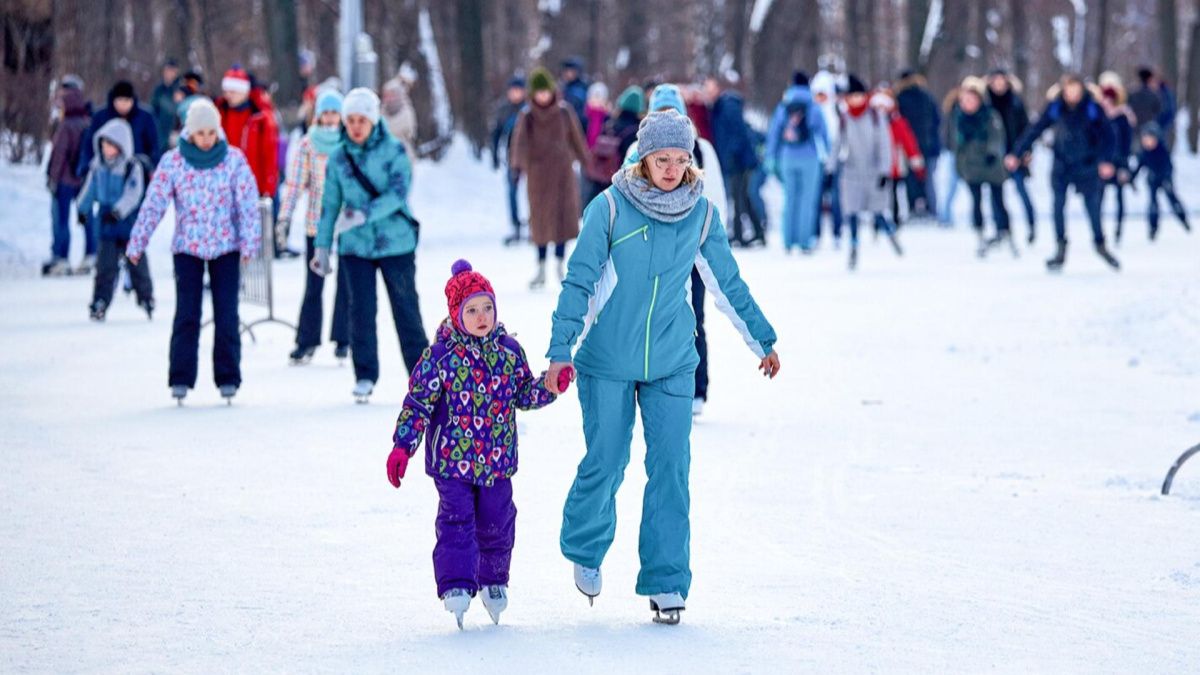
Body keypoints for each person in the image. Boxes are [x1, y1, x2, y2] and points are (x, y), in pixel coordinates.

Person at [544, 109, 779, 625]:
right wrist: (561, 350)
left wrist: (760, 337)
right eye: (660, 159)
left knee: (671, 468)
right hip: (606, 359)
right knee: (607, 459)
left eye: (679, 159)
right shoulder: (609, 209)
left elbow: (726, 282)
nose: (671, 169)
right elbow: (579, 284)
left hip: (673, 360)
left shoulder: (701, 213)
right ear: (643, 159)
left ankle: (667, 581)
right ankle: (585, 546)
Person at [386, 260, 560, 629]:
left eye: (487, 308)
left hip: (497, 461)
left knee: (498, 520)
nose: (482, 317)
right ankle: (457, 584)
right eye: (472, 310)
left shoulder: (509, 351)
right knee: (456, 520)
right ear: (455, 314)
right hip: (452, 463)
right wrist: (404, 445)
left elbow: (523, 394)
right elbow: (417, 404)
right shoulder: (439, 358)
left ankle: (494, 578)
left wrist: (549, 386)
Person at [125, 98, 262, 404]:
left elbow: (248, 205)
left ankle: (228, 377)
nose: (206, 140)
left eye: (211, 133)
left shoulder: (234, 160)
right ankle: (181, 377)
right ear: (189, 133)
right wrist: (137, 242)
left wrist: (250, 242)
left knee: (227, 313)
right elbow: (153, 205)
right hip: (188, 248)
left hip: (225, 248)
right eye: (200, 134)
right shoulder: (173, 162)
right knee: (188, 313)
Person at [311, 88, 429, 403]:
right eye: (350, 120)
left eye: (362, 119)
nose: (356, 126)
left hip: (395, 243)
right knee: (360, 311)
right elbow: (330, 204)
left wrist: (364, 214)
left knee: (406, 309)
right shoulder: (338, 158)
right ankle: (364, 374)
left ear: (374, 120)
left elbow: (399, 192)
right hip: (355, 247)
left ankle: (423, 376)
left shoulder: (394, 151)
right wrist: (322, 247)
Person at [622, 84, 726, 416]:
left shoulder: (700, 149)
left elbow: (716, 195)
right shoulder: (636, 150)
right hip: (650, 249)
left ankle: (696, 388)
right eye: (660, 112)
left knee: (692, 317)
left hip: (691, 250)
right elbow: (624, 195)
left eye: (673, 111)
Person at [1008, 73, 1119, 271]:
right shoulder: (1056, 107)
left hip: (1087, 164)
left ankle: (1100, 244)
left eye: (1076, 89)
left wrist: (1106, 161)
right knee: (1057, 206)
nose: (1072, 93)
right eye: (1069, 89)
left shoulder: (1092, 108)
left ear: (1082, 89)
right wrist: (1017, 153)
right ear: (1063, 89)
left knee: (1092, 207)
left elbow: (1109, 136)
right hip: (1062, 165)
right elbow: (1036, 129)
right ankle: (1060, 248)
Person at [277, 89, 350, 364]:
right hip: (316, 225)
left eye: (335, 112)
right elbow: (295, 184)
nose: (331, 118)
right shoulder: (308, 144)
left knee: (347, 281)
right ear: (318, 115)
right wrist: (284, 217)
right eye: (326, 113)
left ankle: (344, 338)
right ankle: (306, 340)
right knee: (314, 284)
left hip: (346, 224)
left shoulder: (348, 141)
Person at [508, 67, 588, 289]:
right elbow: (520, 142)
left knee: (562, 220)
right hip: (538, 177)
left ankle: (561, 265)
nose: (543, 96)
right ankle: (541, 267)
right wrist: (517, 167)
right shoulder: (528, 116)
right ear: (533, 94)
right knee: (541, 221)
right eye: (539, 93)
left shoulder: (564, 112)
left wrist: (585, 161)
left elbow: (576, 138)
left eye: (546, 92)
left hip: (562, 174)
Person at [77, 118, 154, 321]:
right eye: (104, 145)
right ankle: (100, 301)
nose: (107, 149)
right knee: (105, 266)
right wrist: (82, 209)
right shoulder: (97, 166)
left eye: (111, 145)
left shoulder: (131, 167)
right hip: (106, 223)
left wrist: (118, 211)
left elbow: (133, 193)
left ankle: (146, 296)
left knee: (136, 262)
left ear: (122, 146)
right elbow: (89, 189)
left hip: (128, 222)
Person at [839, 75, 903, 270]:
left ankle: (890, 234)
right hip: (852, 172)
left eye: (859, 95)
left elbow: (885, 144)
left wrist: (885, 171)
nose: (855, 99)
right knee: (852, 212)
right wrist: (831, 168)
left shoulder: (876, 116)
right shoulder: (844, 118)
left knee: (877, 212)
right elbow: (837, 145)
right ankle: (854, 247)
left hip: (874, 171)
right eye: (852, 96)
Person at [765, 71, 828, 253]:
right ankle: (804, 241)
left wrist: (771, 157)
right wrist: (826, 153)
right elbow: (823, 133)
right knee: (807, 200)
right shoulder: (813, 105)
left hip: (787, 157)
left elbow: (774, 132)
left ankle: (788, 240)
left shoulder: (784, 105)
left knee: (790, 198)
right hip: (809, 158)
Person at [949, 78, 1013, 257]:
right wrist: (960, 165)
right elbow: (955, 144)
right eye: (965, 100)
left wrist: (993, 153)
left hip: (991, 164)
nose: (968, 104)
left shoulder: (990, 115)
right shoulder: (958, 118)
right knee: (976, 202)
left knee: (998, 201)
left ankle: (1005, 232)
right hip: (971, 165)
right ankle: (980, 234)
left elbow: (997, 136)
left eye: (971, 100)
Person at [43, 77, 92, 276]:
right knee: (86, 217)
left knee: (61, 220)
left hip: (64, 181)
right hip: (82, 180)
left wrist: (52, 179)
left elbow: (59, 156)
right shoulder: (86, 121)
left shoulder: (66, 125)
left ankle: (61, 258)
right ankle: (91, 254)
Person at [709, 78, 765, 246]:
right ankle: (756, 232)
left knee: (739, 196)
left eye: (710, 89)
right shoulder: (719, 107)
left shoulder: (728, 106)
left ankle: (740, 234)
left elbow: (738, 133)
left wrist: (732, 154)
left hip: (739, 161)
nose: (708, 93)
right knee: (743, 197)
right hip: (734, 159)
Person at [77, 80, 161, 189]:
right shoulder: (101, 116)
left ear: (132, 100)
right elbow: (89, 144)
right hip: (107, 173)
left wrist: (153, 168)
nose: (123, 104)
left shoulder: (145, 117)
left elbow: (154, 146)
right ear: (113, 100)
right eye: (120, 100)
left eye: (127, 100)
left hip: (136, 175)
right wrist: (85, 168)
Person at [986, 69, 1037, 243]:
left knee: (1022, 191)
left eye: (1002, 81)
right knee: (995, 195)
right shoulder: (986, 103)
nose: (999, 84)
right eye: (996, 81)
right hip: (995, 156)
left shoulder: (1015, 102)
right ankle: (1002, 229)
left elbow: (1026, 128)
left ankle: (1031, 226)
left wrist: (1025, 151)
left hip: (1016, 153)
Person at [215, 67, 279, 203]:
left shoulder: (260, 117)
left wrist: (267, 189)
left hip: (254, 186)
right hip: (225, 186)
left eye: (232, 91)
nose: (228, 95)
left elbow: (269, 155)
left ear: (243, 92)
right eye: (226, 91)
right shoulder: (220, 113)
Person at [870, 88, 925, 229]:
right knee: (878, 192)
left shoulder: (897, 121)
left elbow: (908, 140)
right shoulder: (871, 121)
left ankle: (895, 218)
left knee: (894, 192)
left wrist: (914, 158)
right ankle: (877, 219)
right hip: (875, 163)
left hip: (895, 162)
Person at [1130, 123, 1191, 240]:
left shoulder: (1162, 151)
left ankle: (1183, 219)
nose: (1147, 142)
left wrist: (1167, 179)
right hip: (1152, 180)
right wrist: (1131, 179)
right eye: (1145, 139)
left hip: (1164, 179)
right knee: (1153, 204)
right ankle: (1153, 228)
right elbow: (1138, 167)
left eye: (1150, 139)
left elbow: (1169, 167)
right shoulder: (1143, 153)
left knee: (1172, 200)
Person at [895, 69, 941, 218]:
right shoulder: (927, 96)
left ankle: (913, 207)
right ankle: (931, 208)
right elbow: (937, 119)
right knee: (928, 180)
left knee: (911, 179)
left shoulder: (900, 98)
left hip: (910, 146)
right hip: (928, 144)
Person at [1097, 72, 1136, 244]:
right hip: (1103, 162)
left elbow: (1126, 142)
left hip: (1119, 161)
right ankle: (1099, 230)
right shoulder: (1098, 116)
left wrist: (1123, 166)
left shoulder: (1122, 117)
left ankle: (1119, 229)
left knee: (1119, 196)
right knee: (1099, 196)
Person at [490, 76, 528, 246]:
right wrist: (495, 156)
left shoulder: (529, 109)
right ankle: (515, 225)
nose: (516, 94)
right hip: (511, 157)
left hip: (530, 156)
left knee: (531, 192)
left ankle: (532, 225)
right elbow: (496, 133)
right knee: (512, 191)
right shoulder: (503, 110)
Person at [810, 70, 844, 245]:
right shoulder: (813, 113)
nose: (820, 98)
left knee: (837, 200)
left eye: (823, 94)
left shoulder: (838, 111)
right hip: (818, 162)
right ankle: (815, 234)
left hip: (836, 160)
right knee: (816, 199)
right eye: (818, 94)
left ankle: (837, 232)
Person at [581, 82, 612, 205]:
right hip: (586, 156)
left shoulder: (608, 117)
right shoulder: (584, 116)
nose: (597, 101)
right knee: (585, 190)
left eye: (600, 98)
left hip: (601, 159)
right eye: (595, 97)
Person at [382, 66, 419, 161]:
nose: (388, 99)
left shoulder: (406, 113)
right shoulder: (380, 111)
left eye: (391, 95)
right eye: (386, 95)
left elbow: (389, 130)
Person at [150, 58, 181, 151]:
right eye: (168, 70)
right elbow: (153, 109)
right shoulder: (158, 90)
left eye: (172, 71)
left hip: (176, 132)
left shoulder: (180, 89)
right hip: (161, 133)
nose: (170, 73)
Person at [560, 57, 590, 133]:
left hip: (579, 126)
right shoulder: (565, 87)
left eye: (571, 71)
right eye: (566, 70)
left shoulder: (582, 88)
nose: (568, 73)